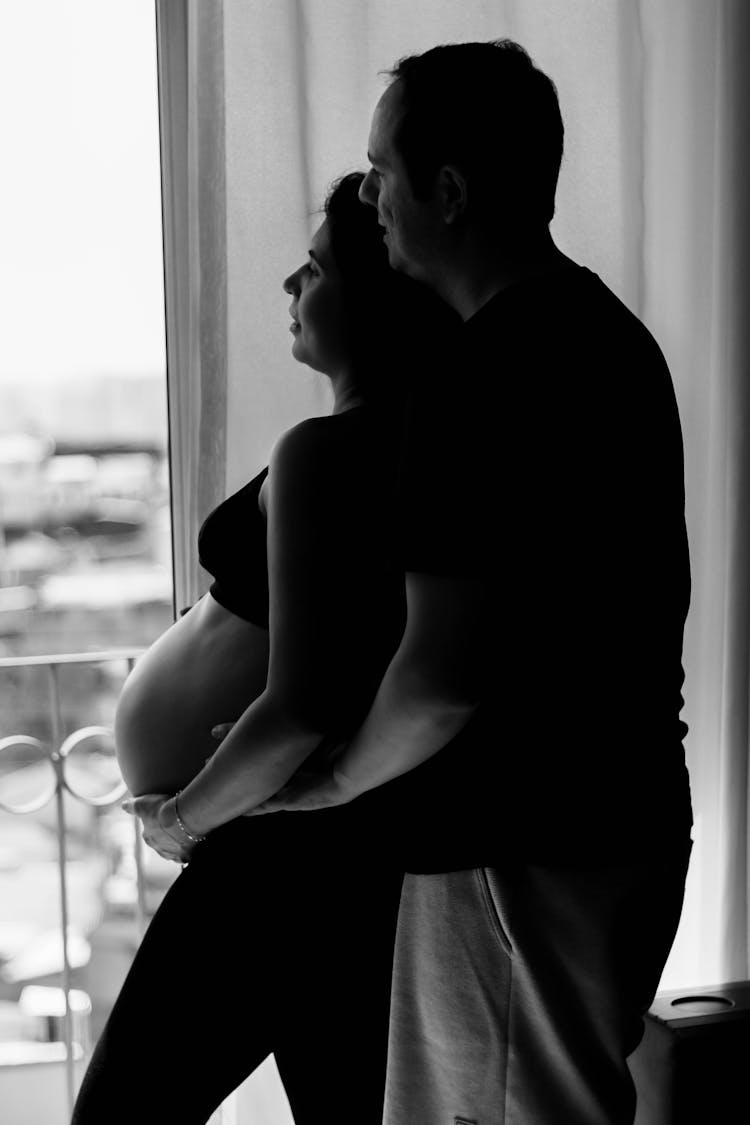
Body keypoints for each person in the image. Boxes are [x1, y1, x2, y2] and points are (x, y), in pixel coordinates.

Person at [252, 40, 694, 1125]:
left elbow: (441, 676)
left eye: (382, 173)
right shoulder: (608, 334)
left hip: (520, 845)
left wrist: (330, 786)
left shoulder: (478, 370)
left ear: (448, 192)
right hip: (614, 823)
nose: (370, 197)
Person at [70, 172, 457, 1125]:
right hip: (342, 857)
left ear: (371, 298)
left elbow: (304, 703)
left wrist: (187, 821)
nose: (291, 282)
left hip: (275, 855)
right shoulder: (416, 441)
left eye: (316, 267)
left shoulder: (328, 451)